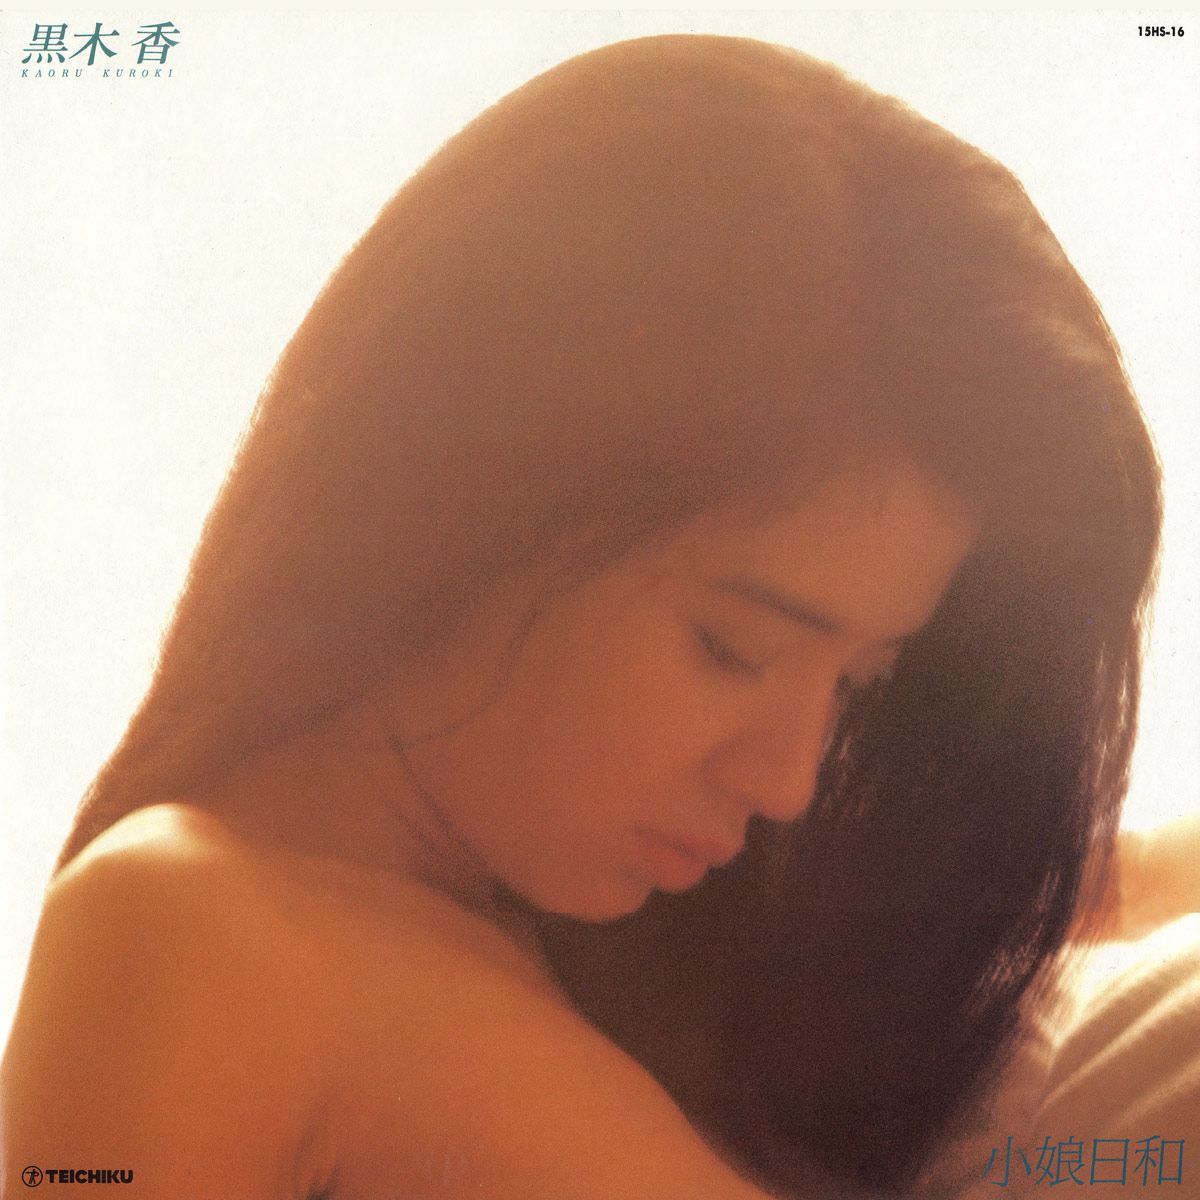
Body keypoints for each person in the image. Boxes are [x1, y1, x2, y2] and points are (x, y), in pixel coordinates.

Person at [0, 33, 1166, 1200]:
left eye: (858, 686)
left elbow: (1094, 892)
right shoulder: (185, 930)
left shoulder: (640, 950)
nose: (787, 780)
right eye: (735, 650)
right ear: (484, 495)